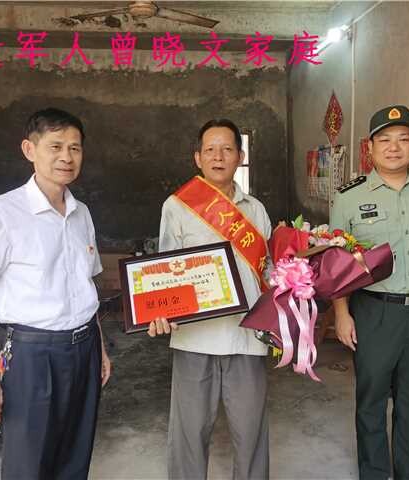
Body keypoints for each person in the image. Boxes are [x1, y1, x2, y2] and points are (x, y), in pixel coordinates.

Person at [0, 108, 111, 480]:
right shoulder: (1, 213)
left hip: (86, 349)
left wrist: (101, 348)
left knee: (75, 457)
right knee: (29, 466)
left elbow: (86, 286)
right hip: (33, 355)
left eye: (75, 148)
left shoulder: (82, 214)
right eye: (55, 146)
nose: (66, 157)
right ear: (29, 149)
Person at [330, 105, 409, 480]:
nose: (394, 147)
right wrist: (341, 313)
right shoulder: (348, 198)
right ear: (369, 148)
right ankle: (373, 473)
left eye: (403, 139)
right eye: (384, 140)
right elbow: (337, 261)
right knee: (371, 401)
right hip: (374, 311)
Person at [148, 119, 272, 480]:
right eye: (210, 150)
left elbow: (268, 271)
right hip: (194, 338)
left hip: (247, 337)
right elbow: (163, 270)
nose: (219, 157)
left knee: (251, 434)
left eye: (227, 149)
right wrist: (158, 309)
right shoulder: (177, 206)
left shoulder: (256, 210)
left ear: (240, 156)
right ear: (197, 157)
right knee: (189, 434)